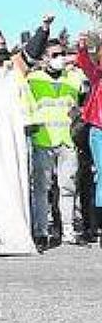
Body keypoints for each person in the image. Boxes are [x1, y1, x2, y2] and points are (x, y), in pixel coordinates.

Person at [27, 39, 84, 250]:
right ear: (43, 58)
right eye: (54, 55)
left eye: (62, 53)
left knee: (68, 188)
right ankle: (41, 231)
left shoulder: (74, 78)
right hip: (42, 140)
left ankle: (68, 231)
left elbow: (84, 100)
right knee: (41, 189)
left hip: (67, 141)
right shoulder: (32, 79)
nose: (59, 58)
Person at [73, 32, 102, 249]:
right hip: (99, 129)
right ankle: (98, 224)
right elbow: (84, 63)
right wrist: (82, 48)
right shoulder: (97, 76)